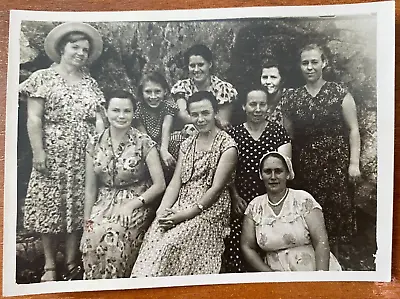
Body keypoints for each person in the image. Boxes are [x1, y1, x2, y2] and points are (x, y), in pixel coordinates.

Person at [19, 22, 105, 282]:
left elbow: (100, 117)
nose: (80, 53)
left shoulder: (90, 82)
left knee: (78, 207)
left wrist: (99, 145)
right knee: (49, 206)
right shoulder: (43, 78)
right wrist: (39, 152)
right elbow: (34, 118)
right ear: (62, 48)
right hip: (53, 150)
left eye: (85, 50)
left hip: (83, 152)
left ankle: (70, 262)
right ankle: (49, 266)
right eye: (75, 47)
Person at [131, 91, 238, 277]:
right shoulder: (187, 144)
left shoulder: (227, 146)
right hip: (182, 201)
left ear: (215, 113)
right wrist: (162, 211)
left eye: (205, 113)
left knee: (174, 241)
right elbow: (175, 183)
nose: (200, 119)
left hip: (208, 208)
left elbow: (216, 189)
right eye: (195, 114)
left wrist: (181, 216)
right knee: (155, 235)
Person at [284, 43, 361, 256]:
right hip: (305, 168)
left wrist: (354, 163)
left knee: (334, 219)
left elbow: (353, 129)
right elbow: (287, 137)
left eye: (314, 62)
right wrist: (288, 168)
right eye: (305, 63)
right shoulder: (292, 98)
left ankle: (333, 269)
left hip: (334, 166)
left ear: (324, 63)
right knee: (308, 217)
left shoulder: (339, 93)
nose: (309, 67)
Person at [80, 90, 166, 279]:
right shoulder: (94, 143)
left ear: (134, 113)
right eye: (116, 110)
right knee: (91, 238)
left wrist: (132, 204)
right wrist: (87, 223)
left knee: (114, 236)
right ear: (106, 112)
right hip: (103, 203)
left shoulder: (143, 142)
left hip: (135, 200)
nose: (121, 116)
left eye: (126, 111)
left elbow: (160, 185)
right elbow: (90, 189)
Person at [223, 86, 291, 273]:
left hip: (272, 198)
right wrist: (235, 197)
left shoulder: (278, 133)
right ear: (244, 106)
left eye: (262, 104)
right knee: (238, 243)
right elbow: (227, 173)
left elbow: (284, 171)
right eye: (253, 104)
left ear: (268, 107)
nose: (258, 109)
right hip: (242, 200)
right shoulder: (233, 136)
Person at [241, 151, 341, 272]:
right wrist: (269, 275)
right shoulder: (254, 207)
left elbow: (321, 241)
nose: (273, 177)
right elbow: (247, 247)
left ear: (287, 174)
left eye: (278, 171)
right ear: (261, 175)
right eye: (267, 171)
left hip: (312, 270)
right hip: (276, 275)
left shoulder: (303, 200)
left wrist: (320, 278)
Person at [169, 44, 238, 157]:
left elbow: (222, 122)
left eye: (201, 65)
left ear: (209, 64)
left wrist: (195, 122)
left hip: (215, 134)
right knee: (175, 139)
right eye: (192, 66)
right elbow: (182, 115)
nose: (196, 70)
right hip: (189, 134)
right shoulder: (182, 87)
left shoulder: (223, 88)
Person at [134, 71, 179, 172]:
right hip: (147, 145)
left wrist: (163, 150)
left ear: (165, 91)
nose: (153, 96)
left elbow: (166, 127)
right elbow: (144, 136)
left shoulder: (167, 106)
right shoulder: (139, 109)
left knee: (177, 138)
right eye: (148, 92)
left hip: (165, 143)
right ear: (142, 92)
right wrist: (154, 151)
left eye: (157, 91)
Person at [259, 58, 287, 126]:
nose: (268, 82)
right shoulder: (258, 99)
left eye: (273, 77)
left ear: (282, 80)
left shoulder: (290, 98)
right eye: (265, 77)